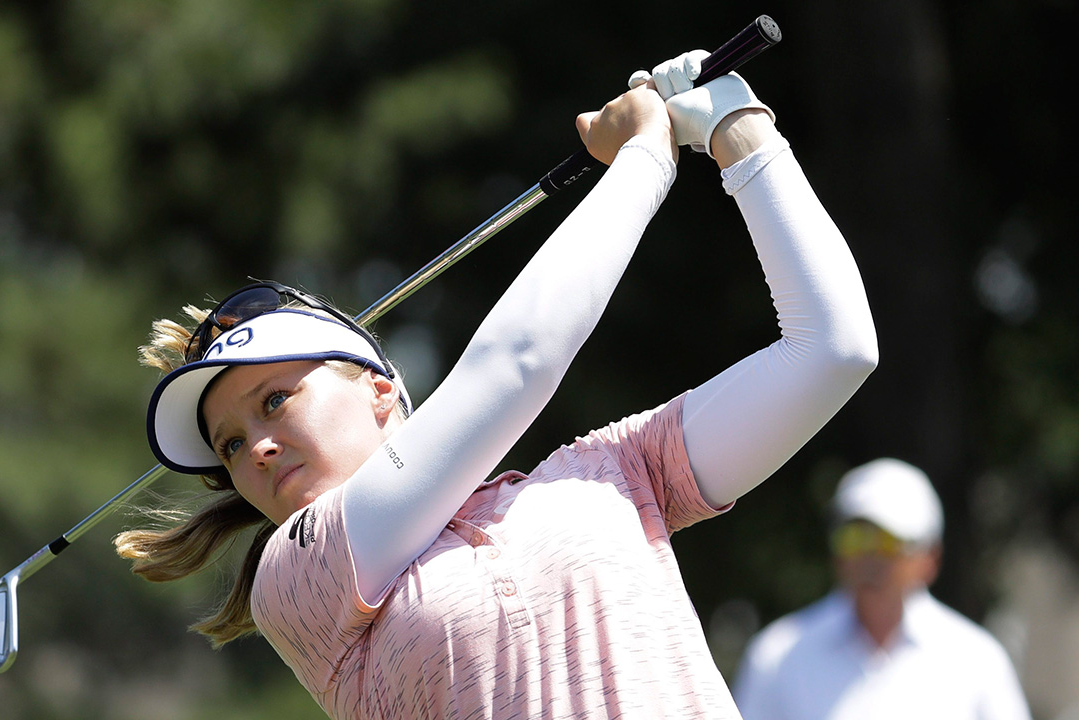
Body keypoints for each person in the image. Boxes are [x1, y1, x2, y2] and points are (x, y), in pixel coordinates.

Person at [116, 49, 878, 719]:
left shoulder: (615, 472)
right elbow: (517, 362)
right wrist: (646, 157)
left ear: (380, 390)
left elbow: (833, 348)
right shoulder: (295, 579)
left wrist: (737, 128)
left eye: (274, 400)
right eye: (230, 444)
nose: (258, 449)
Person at [731, 458, 1032, 720]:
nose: (870, 558)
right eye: (855, 538)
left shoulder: (978, 661)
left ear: (930, 558)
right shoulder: (775, 656)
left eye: (890, 542)